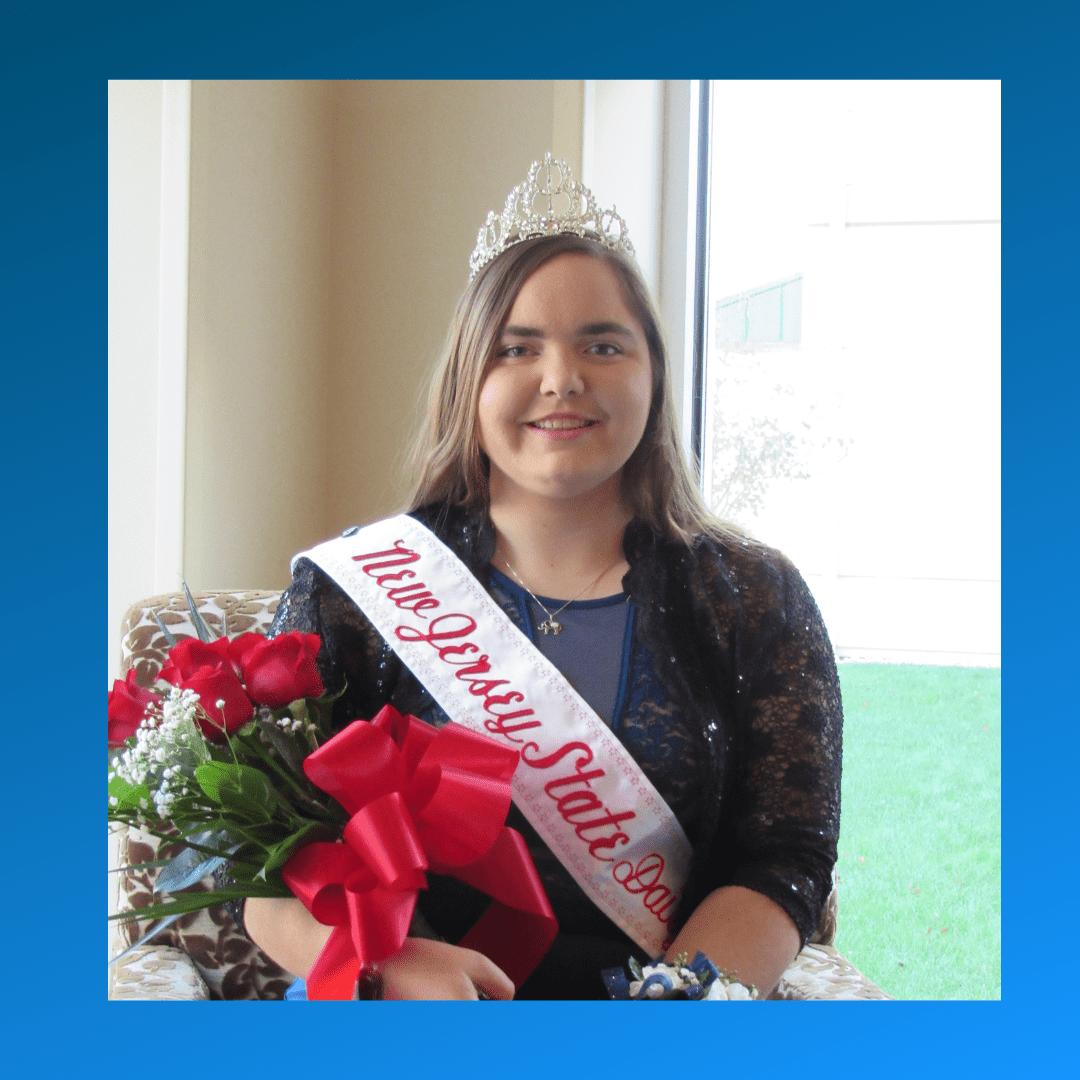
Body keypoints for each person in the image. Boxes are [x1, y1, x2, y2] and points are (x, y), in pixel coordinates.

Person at [240, 154, 842, 1001]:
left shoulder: (757, 599)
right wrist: (387, 966)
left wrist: (671, 1005)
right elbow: (244, 856)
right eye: (517, 348)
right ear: (469, 379)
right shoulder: (355, 591)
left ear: (654, 374)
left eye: (603, 343)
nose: (562, 378)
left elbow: (784, 858)